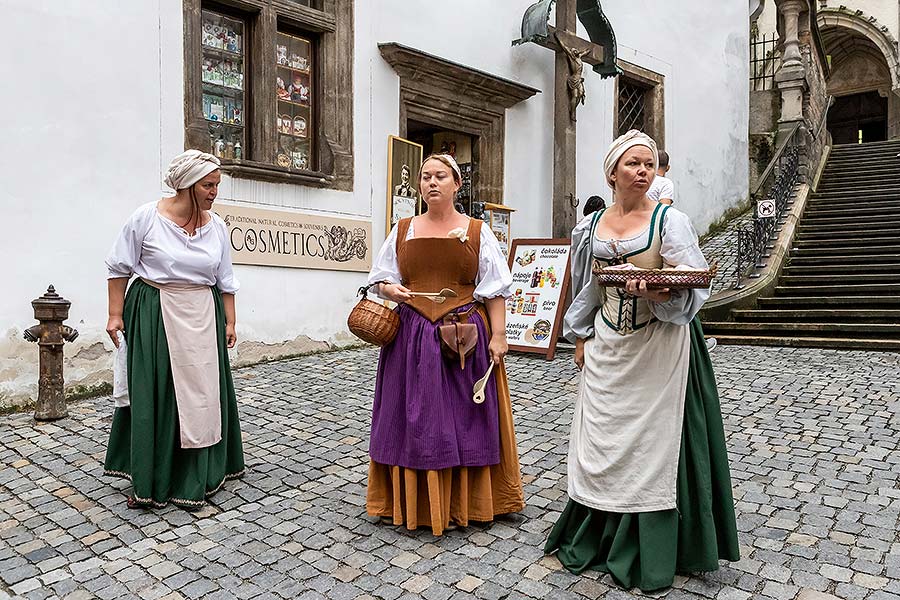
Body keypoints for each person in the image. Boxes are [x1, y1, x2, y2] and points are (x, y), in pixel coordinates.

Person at [544, 130, 739, 591]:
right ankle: (600, 532)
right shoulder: (589, 228)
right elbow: (587, 288)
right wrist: (579, 338)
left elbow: (692, 285)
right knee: (603, 439)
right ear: (612, 172)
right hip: (609, 346)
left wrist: (659, 290)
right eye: (633, 163)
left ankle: (653, 544)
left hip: (659, 344)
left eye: (648, 164)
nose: (643, 171)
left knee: (655, 444)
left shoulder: (670, 222)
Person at [365, 153, 524, 535]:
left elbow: (495, 289)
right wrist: (392, 290)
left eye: (440, 176)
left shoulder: (476, 231)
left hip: (463, 335)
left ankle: (466, 501)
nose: (431, 182)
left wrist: (499, 336)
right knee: (411, 416)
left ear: (457, 183)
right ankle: (411, 501)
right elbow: (381, 278)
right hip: (411, 336)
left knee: (465, 417)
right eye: (425, 176)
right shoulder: (403, 229)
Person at [104, 149, 245, 510]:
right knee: (159, 392)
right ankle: (154, 475)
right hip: (155, 310)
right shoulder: (146, 218)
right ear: (186, 186)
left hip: (202, 313)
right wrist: (114, 315)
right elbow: (119, 267)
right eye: (208, 185)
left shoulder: (216, 227)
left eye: (216, 185)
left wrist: (230, 320)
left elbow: (225, 279)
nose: (214, 192)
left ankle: (200, 473)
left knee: (202, 395)